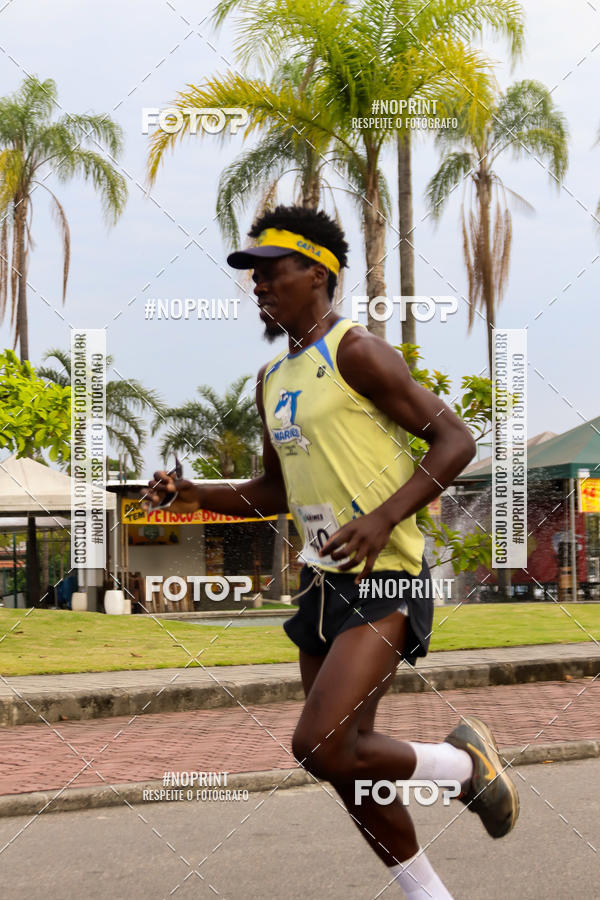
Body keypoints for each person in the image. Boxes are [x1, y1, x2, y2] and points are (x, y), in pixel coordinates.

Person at [143, 205, 519, 898]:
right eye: (250, 275)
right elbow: (270, 492)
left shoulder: (357, 352)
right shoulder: (271, 381)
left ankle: (465, 767)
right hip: (322, 585)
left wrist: (383, 517)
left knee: (318, 745)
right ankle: (429, 894)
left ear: (316, 274)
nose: (256, 285)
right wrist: (190, 490)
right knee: (344, 765)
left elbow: (455, 441)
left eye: (269, 270)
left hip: (387, 577)